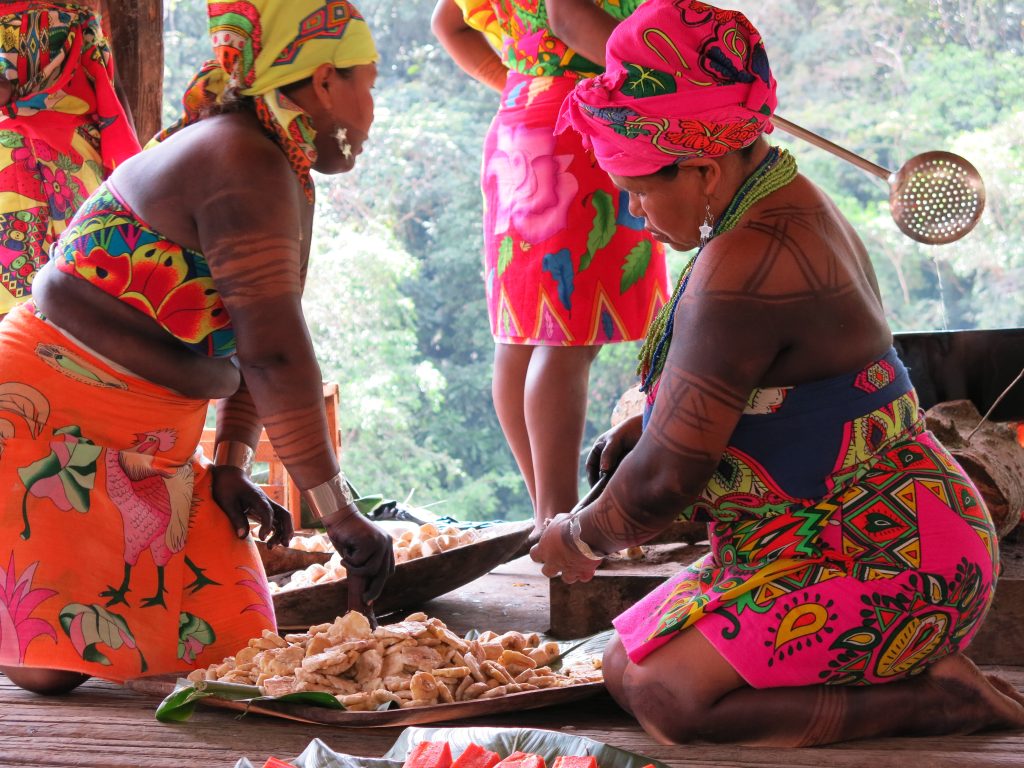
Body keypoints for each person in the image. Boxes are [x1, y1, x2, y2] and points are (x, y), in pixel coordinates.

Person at [531, 0, 1024, 746]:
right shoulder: (767, 207)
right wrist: (649, 425)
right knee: (620, 670)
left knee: (669, 700)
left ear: (704, 166)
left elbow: (666, 482)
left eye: (639, 188)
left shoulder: (752, 260)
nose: (635, 212)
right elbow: (769, 402)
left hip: (897, 557)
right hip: (794, 543)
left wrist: (579, 535)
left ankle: (942, 701)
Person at [0, 0, 394, 695]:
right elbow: (274, 356)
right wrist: (338, 511)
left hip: (157, 440)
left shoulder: (273, 161)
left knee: (237, 643)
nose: (371, 107)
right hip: (43, 415)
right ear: (325, 80)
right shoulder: (239, 155)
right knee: (49, 668)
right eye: (368, 82)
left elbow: (253, 345)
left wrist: (233, 464)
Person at [432, 0, 669, 533]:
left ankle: (547, 515)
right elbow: (566, 16)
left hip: (524, 114)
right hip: (582, 125)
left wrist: (523, 78)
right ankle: (559, 524)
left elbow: (447, 23)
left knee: (523, 331)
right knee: (566, 336)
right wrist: (674, 80)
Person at [0, 1, 141, 320]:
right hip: (83, 163)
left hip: (13, 165)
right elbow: (112, 93)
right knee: (90, 305)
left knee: (19, 318)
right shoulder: (82, 12)